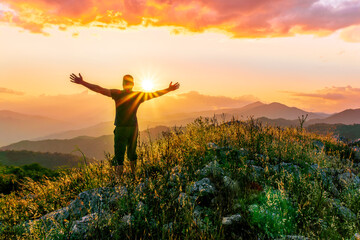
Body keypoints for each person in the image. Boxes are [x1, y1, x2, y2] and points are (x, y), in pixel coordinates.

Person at [70, 73, 180, 180]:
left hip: (121, 129)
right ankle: (133, 176)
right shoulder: (137, 95)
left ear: (123, 84)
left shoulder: (117, 93)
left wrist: (82, 82)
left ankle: (119, 180)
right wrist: (168, 89)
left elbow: (99, 89)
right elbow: (155, 94)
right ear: (132, 84)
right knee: (132, 153)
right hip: (133, 128)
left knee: (119, 156)